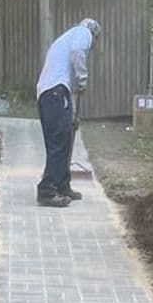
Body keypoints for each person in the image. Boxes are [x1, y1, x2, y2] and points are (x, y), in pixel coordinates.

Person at [36, 18, 102, 208]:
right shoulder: (83, 33)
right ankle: (47, 191)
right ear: (94, 35)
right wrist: (83, 79)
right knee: (59, 143)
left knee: (62, 141)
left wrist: (72, 116)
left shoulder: (66, 38)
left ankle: (63, 185)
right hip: (56, 93)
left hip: (51, 94)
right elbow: (77, 52)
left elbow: (65, 81)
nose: (92, 46)